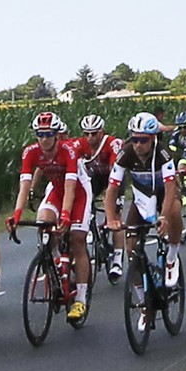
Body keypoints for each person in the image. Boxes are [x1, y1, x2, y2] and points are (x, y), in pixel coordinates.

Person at [9, 112, 92, 322]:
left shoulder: (68, 151)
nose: (44, 138)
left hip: (79, 193)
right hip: (56, 191)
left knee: (77, 239)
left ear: (56, 135)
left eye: (48, 134)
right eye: (40, 134)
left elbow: (71, 188)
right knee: (43, 223)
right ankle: (56, 263)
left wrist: (65, 216)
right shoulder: (30, 152)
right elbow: (24, 186)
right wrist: (17, 214)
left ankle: (80, 298)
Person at [104, 113, 184, 290]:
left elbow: (171, 188)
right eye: (134, 139)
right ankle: (143, 304)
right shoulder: (125, 152)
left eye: (143, 140)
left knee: (175, 211)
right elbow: (112, 189)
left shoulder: (163, 153)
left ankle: (171, 257)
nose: (138, 144)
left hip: (164, 192)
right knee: (131, 247)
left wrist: (163, 216)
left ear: (153, 138)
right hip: (142, 196)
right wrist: (110, 218)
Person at [78, 113, 127, 280]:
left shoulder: (112, 144)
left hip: (114, 177)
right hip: (96, 177)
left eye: (94, 133)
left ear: (101, 132)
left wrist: (110, 197)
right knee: (83, 199)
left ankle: (118, 260)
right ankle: (90, 226)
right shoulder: (81, 144)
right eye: (86, 133)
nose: (90, 137)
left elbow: (115, 170)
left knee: (114, 215)